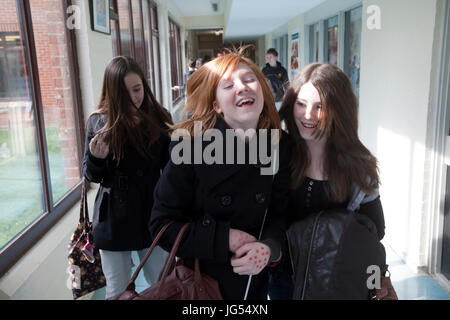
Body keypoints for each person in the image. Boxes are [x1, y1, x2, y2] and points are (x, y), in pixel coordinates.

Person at [149, 47, 291, 300]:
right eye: (228, 85)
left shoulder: (279, 146)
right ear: (216, 105)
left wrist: (269, 248)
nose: (242, 87)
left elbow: (280, 216)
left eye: (249, 79)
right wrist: (224, 237)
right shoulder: (189, 149)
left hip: (251, 289)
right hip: (197, 287)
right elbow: (162, 225)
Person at [271, 63, 387, 299]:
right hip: (282, 281)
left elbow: (374, 233)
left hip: (332, 286)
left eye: (319, 107)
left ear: (338, 111)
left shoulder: (358, 166)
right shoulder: (279, 152)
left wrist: (378, 281)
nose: (307, 115)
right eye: (301, 104)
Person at [82, 56, 173, 299]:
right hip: (113, 218)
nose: (134, 97)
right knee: (118, 291)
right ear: (112, 93)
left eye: (137, 89)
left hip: (152, 212)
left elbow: (174, 169)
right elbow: (91, 176)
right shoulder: (99, 122)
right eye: (125, 92)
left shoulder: (159, 117)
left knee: (162, 285)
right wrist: (96, 157)